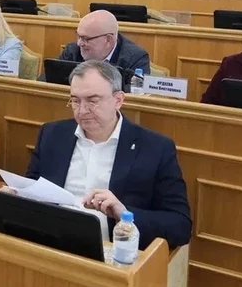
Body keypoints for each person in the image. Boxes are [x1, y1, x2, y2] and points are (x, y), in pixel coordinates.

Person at [15, 60, 192, 250]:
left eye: (92, 101)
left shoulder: (155, 148)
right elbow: (32, 188)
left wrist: (124, 213)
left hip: (110, 252)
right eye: (75, 101)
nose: (82, 110)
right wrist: (16, 198)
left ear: (118, 100)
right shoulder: (52, 134)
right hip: (48, 244)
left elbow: (180, 225)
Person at [41, 9, 150, 90]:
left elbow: (137, 94)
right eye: (78, 36)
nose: (79, 43)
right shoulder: (73, 50)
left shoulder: (135, 57)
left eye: (86, 39)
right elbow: (43, 81)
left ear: (108, 40)